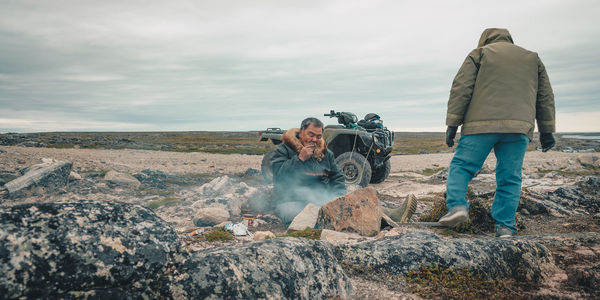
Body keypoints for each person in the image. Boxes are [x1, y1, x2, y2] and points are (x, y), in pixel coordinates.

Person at [439, 28, 556, 237]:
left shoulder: (479, 54)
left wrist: (452, 125)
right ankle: (505, 227)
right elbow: (545, 95)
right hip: (518, 127)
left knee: (462, 166)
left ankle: (457, 206)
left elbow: (461, 89)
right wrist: (547, 130)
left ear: (484, 40)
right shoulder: (532, 58)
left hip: (479, 125)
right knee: (510, 177)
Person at [270, 117, 347, 223]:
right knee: (302, 219)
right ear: (301, 132)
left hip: (320, 200)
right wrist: (299, 159)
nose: (314, 140)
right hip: (290, 201)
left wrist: (338, 198)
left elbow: (337, 176)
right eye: (311, 135)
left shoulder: (326, 153)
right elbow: (279, 176)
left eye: (318, 136)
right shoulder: (283, 150)